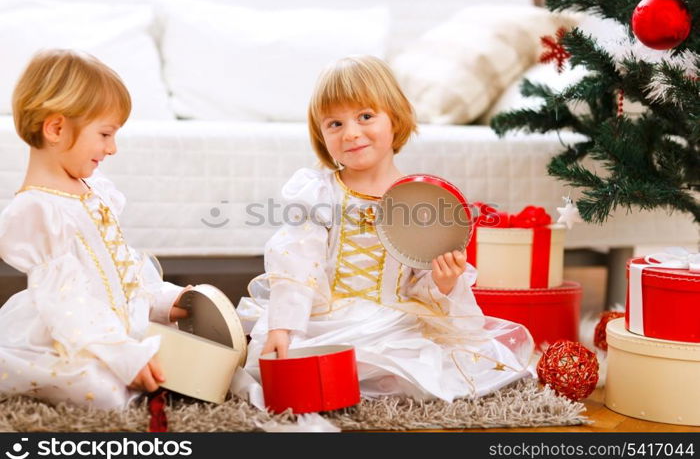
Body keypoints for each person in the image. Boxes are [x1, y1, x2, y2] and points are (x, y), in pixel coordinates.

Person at [235, 55, 534, 403]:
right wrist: (283, 326)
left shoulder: (419, 200)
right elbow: (295, 262)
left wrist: (443, 282)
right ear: (321, 134)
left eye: (365, 116)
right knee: (299, 356)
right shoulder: (318, 194)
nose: (351, 133)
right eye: (334, 124)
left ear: (395, 117)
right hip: (323, 320)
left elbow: (416, 281)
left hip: (392, 320)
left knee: (420, 361)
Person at [0, 49, 190, 410]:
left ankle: (127, 353)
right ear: (56, 128)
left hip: (111, 327)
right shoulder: (38, 210)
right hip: (68, 332)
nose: (112, 148)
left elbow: (122, 272)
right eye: (105, 134)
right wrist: (121, 356)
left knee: (182, 354)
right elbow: (65, 304)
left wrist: (162, 300)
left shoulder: (95, 190)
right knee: (102, 390)